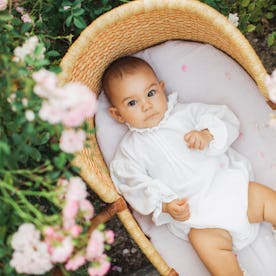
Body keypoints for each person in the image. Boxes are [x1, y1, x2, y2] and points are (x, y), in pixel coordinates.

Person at [102, 56, 276, 276]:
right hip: (201, 219)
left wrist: (206, 133)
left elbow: (224, 118)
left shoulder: (186, 114)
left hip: (233, 189)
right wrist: (165, 204)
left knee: (268, 200)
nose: (146, 106)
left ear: (162, 89)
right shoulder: (130, 151)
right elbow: (133, 185)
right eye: (132, 103)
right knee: (203, 243)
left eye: (151, 93)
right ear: (117, 114)